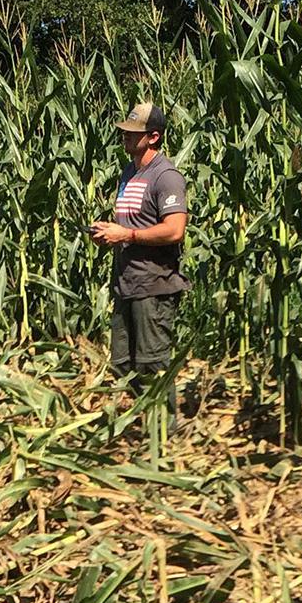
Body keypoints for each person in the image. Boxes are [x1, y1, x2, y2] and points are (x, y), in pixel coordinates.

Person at [89, 103, 189, 417]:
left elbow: (174, 230)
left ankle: (163, 434)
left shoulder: (166, 177)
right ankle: (147, 422)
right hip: (125, 282)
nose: (125, 138)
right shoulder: (129, 172)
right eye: (124, 132)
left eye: (134, 134)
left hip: (153, 284)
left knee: (152, 364)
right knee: (122, 363)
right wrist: (108, 233)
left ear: (154, 136)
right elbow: (131, 223)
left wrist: (127, 236)